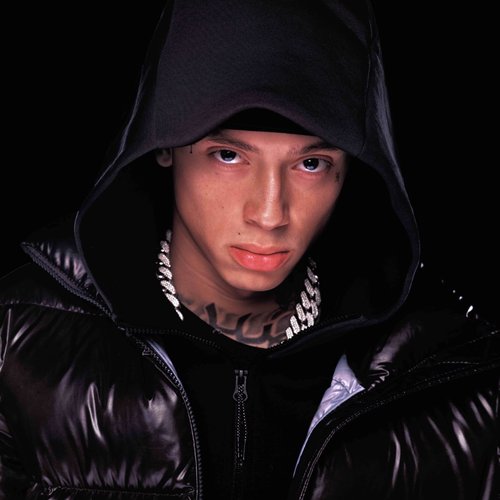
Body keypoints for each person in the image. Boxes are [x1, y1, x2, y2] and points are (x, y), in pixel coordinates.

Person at [1, 1, 498, 499]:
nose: (269, 213)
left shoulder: (455, 373)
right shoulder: (15, 342)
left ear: (353, 167)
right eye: (228, 155)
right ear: (163, 146)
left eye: (311, 164)